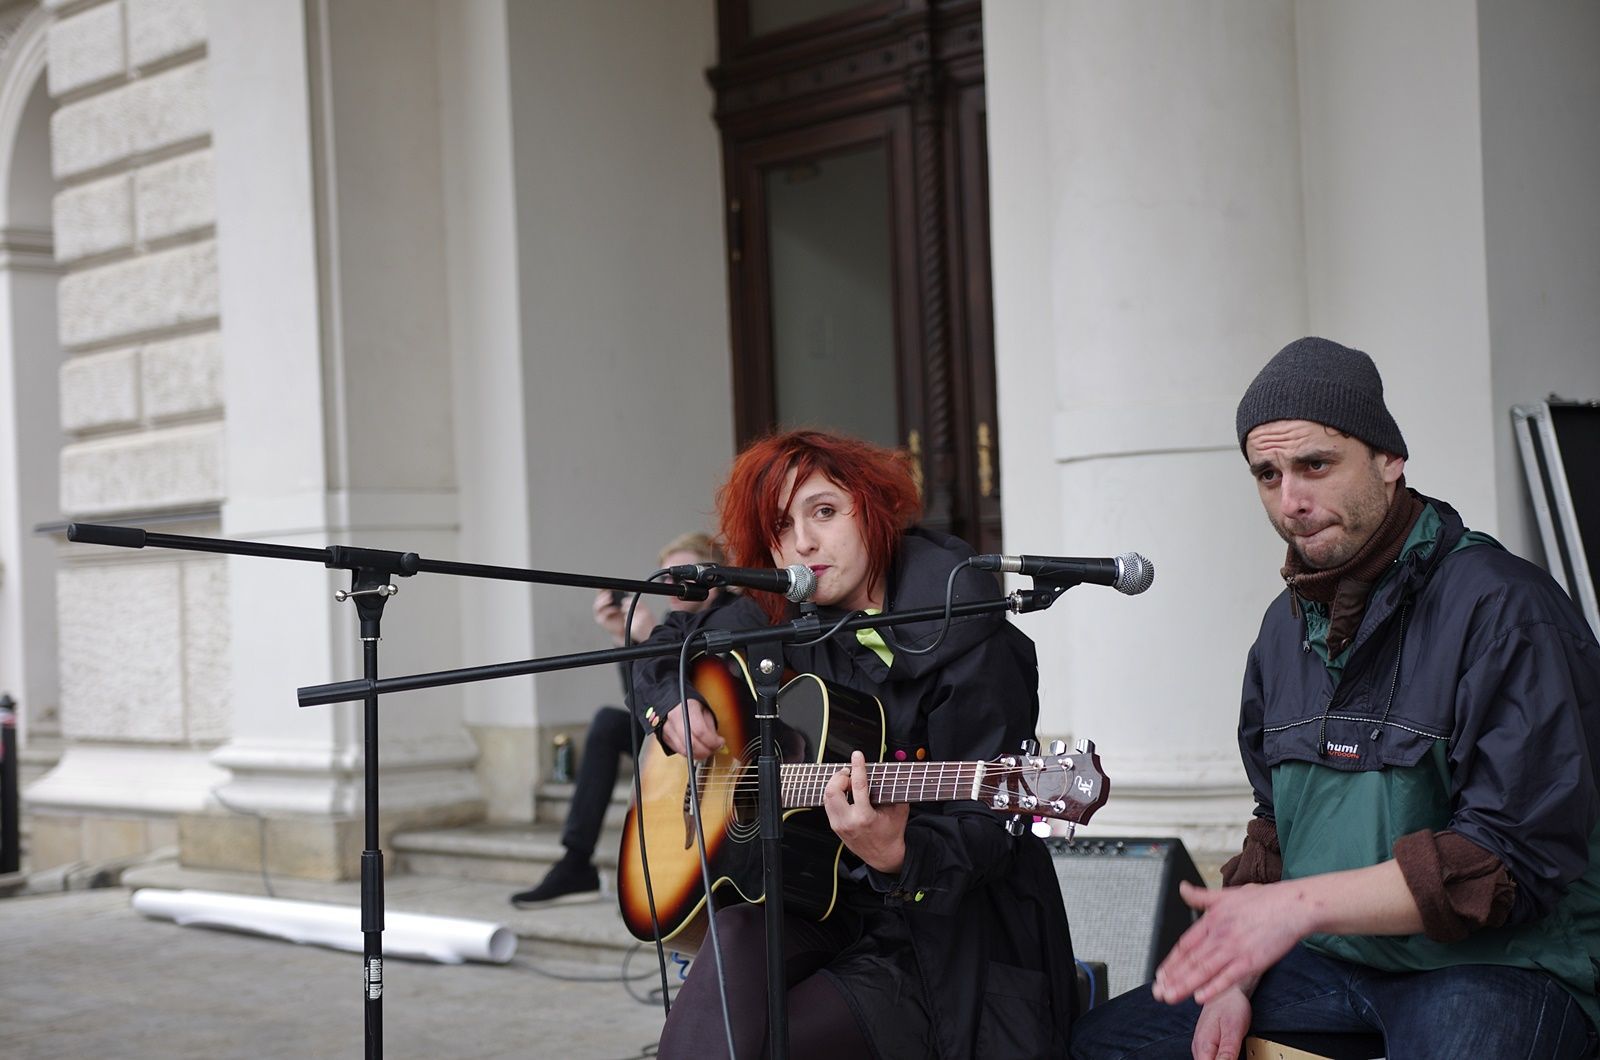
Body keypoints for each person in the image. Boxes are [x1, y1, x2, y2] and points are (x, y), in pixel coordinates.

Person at [1070, 337, 1600, 1059]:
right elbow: (1274, 827)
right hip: (1337, 963)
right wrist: (1233, 970)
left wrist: (1288, 912)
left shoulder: (1505, 609)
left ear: (1389, 459)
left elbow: (1507, 857)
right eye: (1268, 474)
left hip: (1503, 966)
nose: (1291, 500)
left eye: (1315, 464)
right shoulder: (1280, 632)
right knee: (1102, 1046)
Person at [630, 429, 1076, 1059]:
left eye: (825, 512)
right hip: (824, 901)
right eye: (782, 526)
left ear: (875, 508)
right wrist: (669, 703)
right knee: (731, 930)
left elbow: (990, 829)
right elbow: (668, 643)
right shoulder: (784, 606)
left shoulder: (975, 643)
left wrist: (898, 852)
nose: (804, 543)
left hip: (936, 940)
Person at [510, 532, 728, 906]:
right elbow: (641, 710)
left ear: (715, 573)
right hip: (678, 741)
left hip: (728, 744)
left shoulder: (738, 616)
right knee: (609, 724)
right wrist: (625, 640)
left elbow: (724, 695)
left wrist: (647, 639)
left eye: (684, 574)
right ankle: (576, 861)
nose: (673, 587)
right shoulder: (671, 624)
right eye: (666, 578)